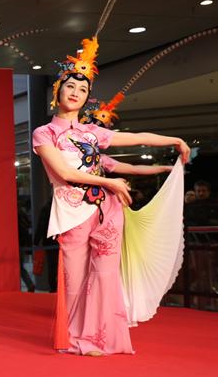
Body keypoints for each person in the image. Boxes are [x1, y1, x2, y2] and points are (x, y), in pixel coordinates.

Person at [32, 37, 189, 356]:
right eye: (70, 87)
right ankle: (76, 338)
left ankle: (100, 338)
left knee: (104, 276)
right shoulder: (44, 134)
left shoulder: (93, 133)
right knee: (74, 281)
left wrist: (174, 139)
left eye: (82, 90)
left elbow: (134, 138)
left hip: (107, 211)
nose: (75, 93)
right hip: (73, 212)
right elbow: (66, 174)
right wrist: (113, 184)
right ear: (57, 90)